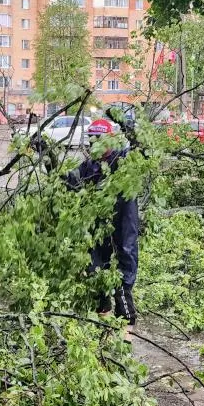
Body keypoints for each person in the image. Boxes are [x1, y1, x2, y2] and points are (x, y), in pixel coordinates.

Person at [68, 129, 139, 338]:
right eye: (91, 141)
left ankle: (126, 339)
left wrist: (129, 129)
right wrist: (47, 158)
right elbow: (69, 183)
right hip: (97, 233)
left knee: (121, 287)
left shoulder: (123, 160)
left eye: (99, 140)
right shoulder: (89, 167)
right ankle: (105, 338)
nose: (94, 145)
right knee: (96, 276)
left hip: (122, 231)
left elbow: (141, 151)